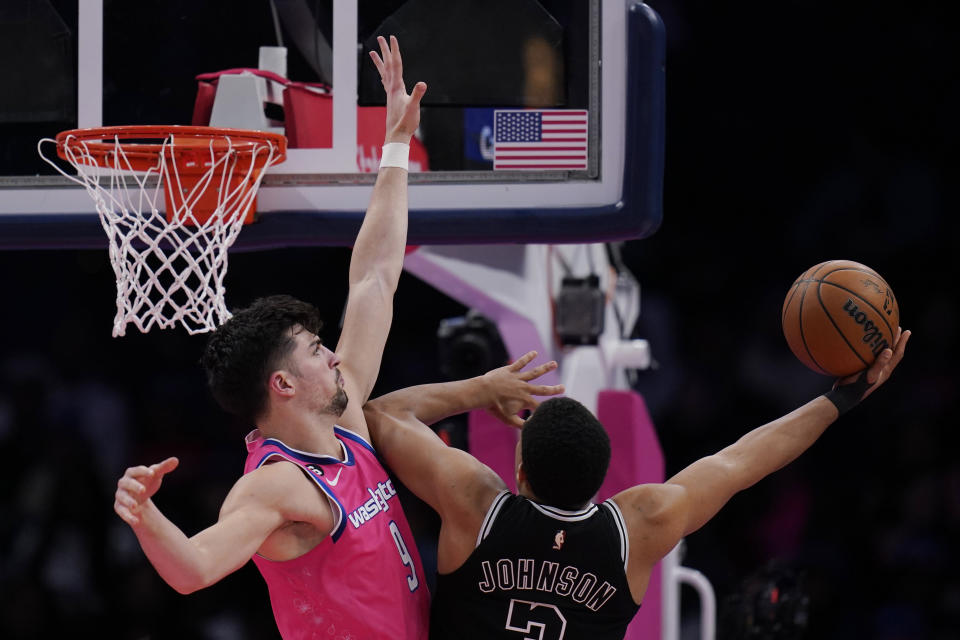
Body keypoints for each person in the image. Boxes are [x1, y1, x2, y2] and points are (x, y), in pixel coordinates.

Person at [113, 36, 433, 639]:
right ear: (282, 384)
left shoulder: (344, 422)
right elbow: (195, 568)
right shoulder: (275, 486)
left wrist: (394, 143)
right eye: (317, 350)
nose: (335, 354)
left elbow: (374, 278)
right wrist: (143, 513)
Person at [362, 330, 912, 639]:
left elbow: (384, 413)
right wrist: (841, 398)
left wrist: (483, 389)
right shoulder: (640, 526)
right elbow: (743, 461)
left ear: (519, 470)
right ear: (605, 482)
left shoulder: (475, 501)